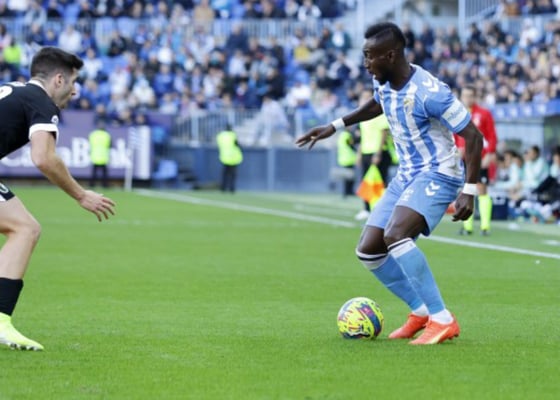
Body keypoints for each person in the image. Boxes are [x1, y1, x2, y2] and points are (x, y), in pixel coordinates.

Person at [296, 22, 483, 345]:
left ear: (391, 55)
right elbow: (378, 103)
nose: (366, 63)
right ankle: (420, 311)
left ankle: (442, 319)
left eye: (370, 56)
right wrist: (335, 125)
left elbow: (474, 136)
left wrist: (469, 190)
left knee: (396, 235)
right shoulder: (382, 80)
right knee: (369, 251)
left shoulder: (431, 93)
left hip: (438, 173)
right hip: (407, 174)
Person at [0, 47, 116, 351]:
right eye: (74, 82)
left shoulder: (13, 90)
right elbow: (44, 157)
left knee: (23, 227)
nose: (75, 91)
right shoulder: (40, 101)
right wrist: (81, 195)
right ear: (59, 79)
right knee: (25, 229)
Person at [455, 85, 498, 236]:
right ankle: (467, 227)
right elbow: (454, 136)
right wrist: (456, 150)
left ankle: (485, 227)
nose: (467, 98)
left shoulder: (484, 114)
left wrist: (489, 154)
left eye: (470, 95)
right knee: (466, 190)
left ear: (475, 97)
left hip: (479, 157)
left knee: (481, 189)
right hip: (463, 159)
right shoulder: (457, 113)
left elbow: (492, 136)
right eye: (465, 95)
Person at [355, 90, 392, 220]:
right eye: (363, 97)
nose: (364, 100)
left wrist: (378, 153)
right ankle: (366, 208)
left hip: (378, 153)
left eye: (367, 97)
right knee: (366, 181)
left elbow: (383, 134)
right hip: (366, 152)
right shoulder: (362, 117)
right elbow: (363, 138)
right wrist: (359, 154)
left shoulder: (379, 114)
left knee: (380, 182)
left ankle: (382, 209)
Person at [216, 124, 243, 193]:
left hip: (224, 157)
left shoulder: (221, 135)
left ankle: (223, 188)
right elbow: (237, 144)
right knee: (233, 174)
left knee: (224, 174)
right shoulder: (232, 135)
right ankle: (232, 188)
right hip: (233, 157)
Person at [88, 120, 112, 188]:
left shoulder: (93, 134)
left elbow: (90, 143)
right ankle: (105, 185)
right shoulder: (107, 135)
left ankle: (91, 184)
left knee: (94, 173)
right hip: (104, 156)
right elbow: (110, 145)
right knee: (104, 173)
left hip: (95, 155)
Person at [336, 128, 357, 197]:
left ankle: (346, 192)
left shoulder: (341, 135)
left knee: (346, 177)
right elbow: (351, 145)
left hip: (343, 158)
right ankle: (348, 191)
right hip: (349, 159)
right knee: (349, 177)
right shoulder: (348, 135)